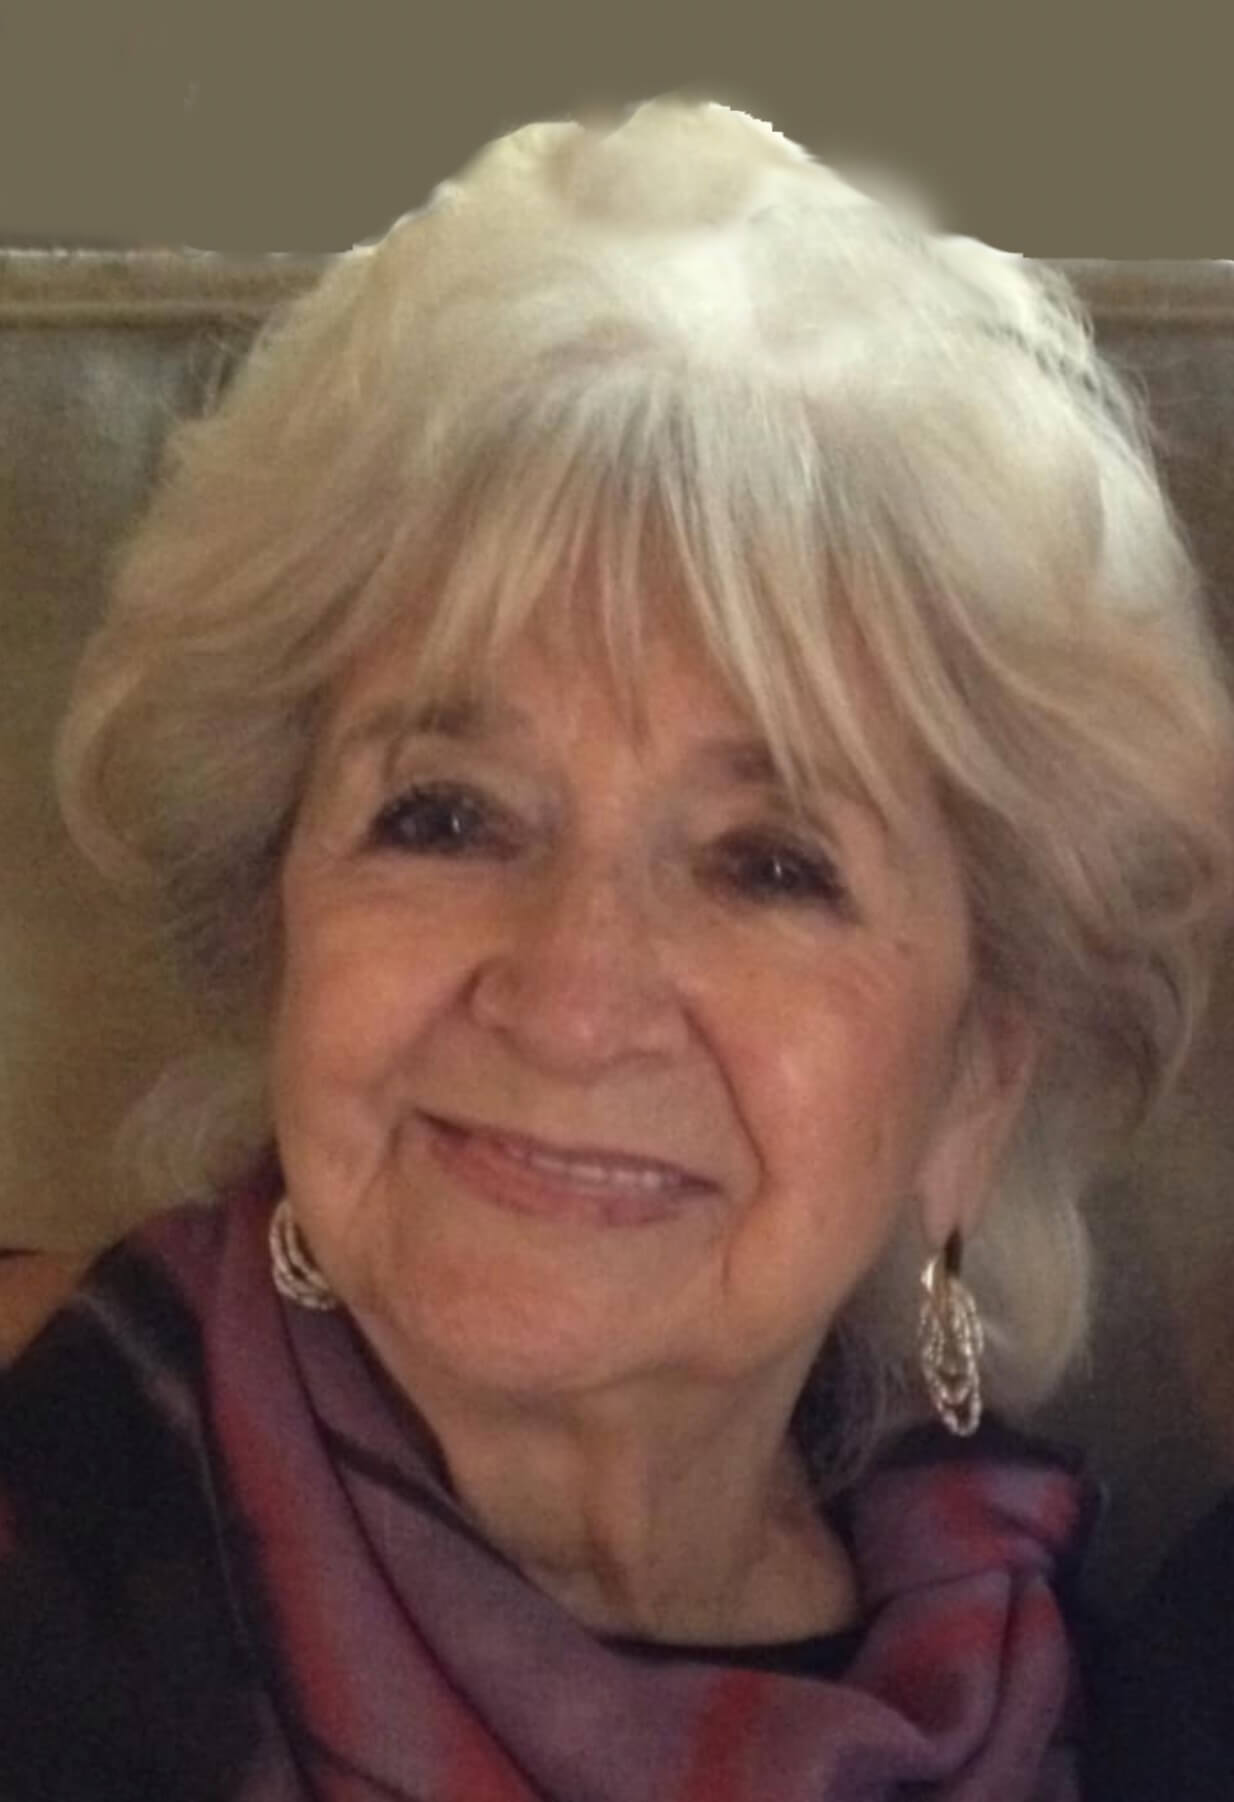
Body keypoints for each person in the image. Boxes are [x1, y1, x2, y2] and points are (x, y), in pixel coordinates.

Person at [2, 98, 1231, 1802]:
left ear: (972, 1079)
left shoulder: (1076, 1695)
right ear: (280, 917)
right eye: (444, 816)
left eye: (769, 865)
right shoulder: (49, 1510)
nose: (571, 997)